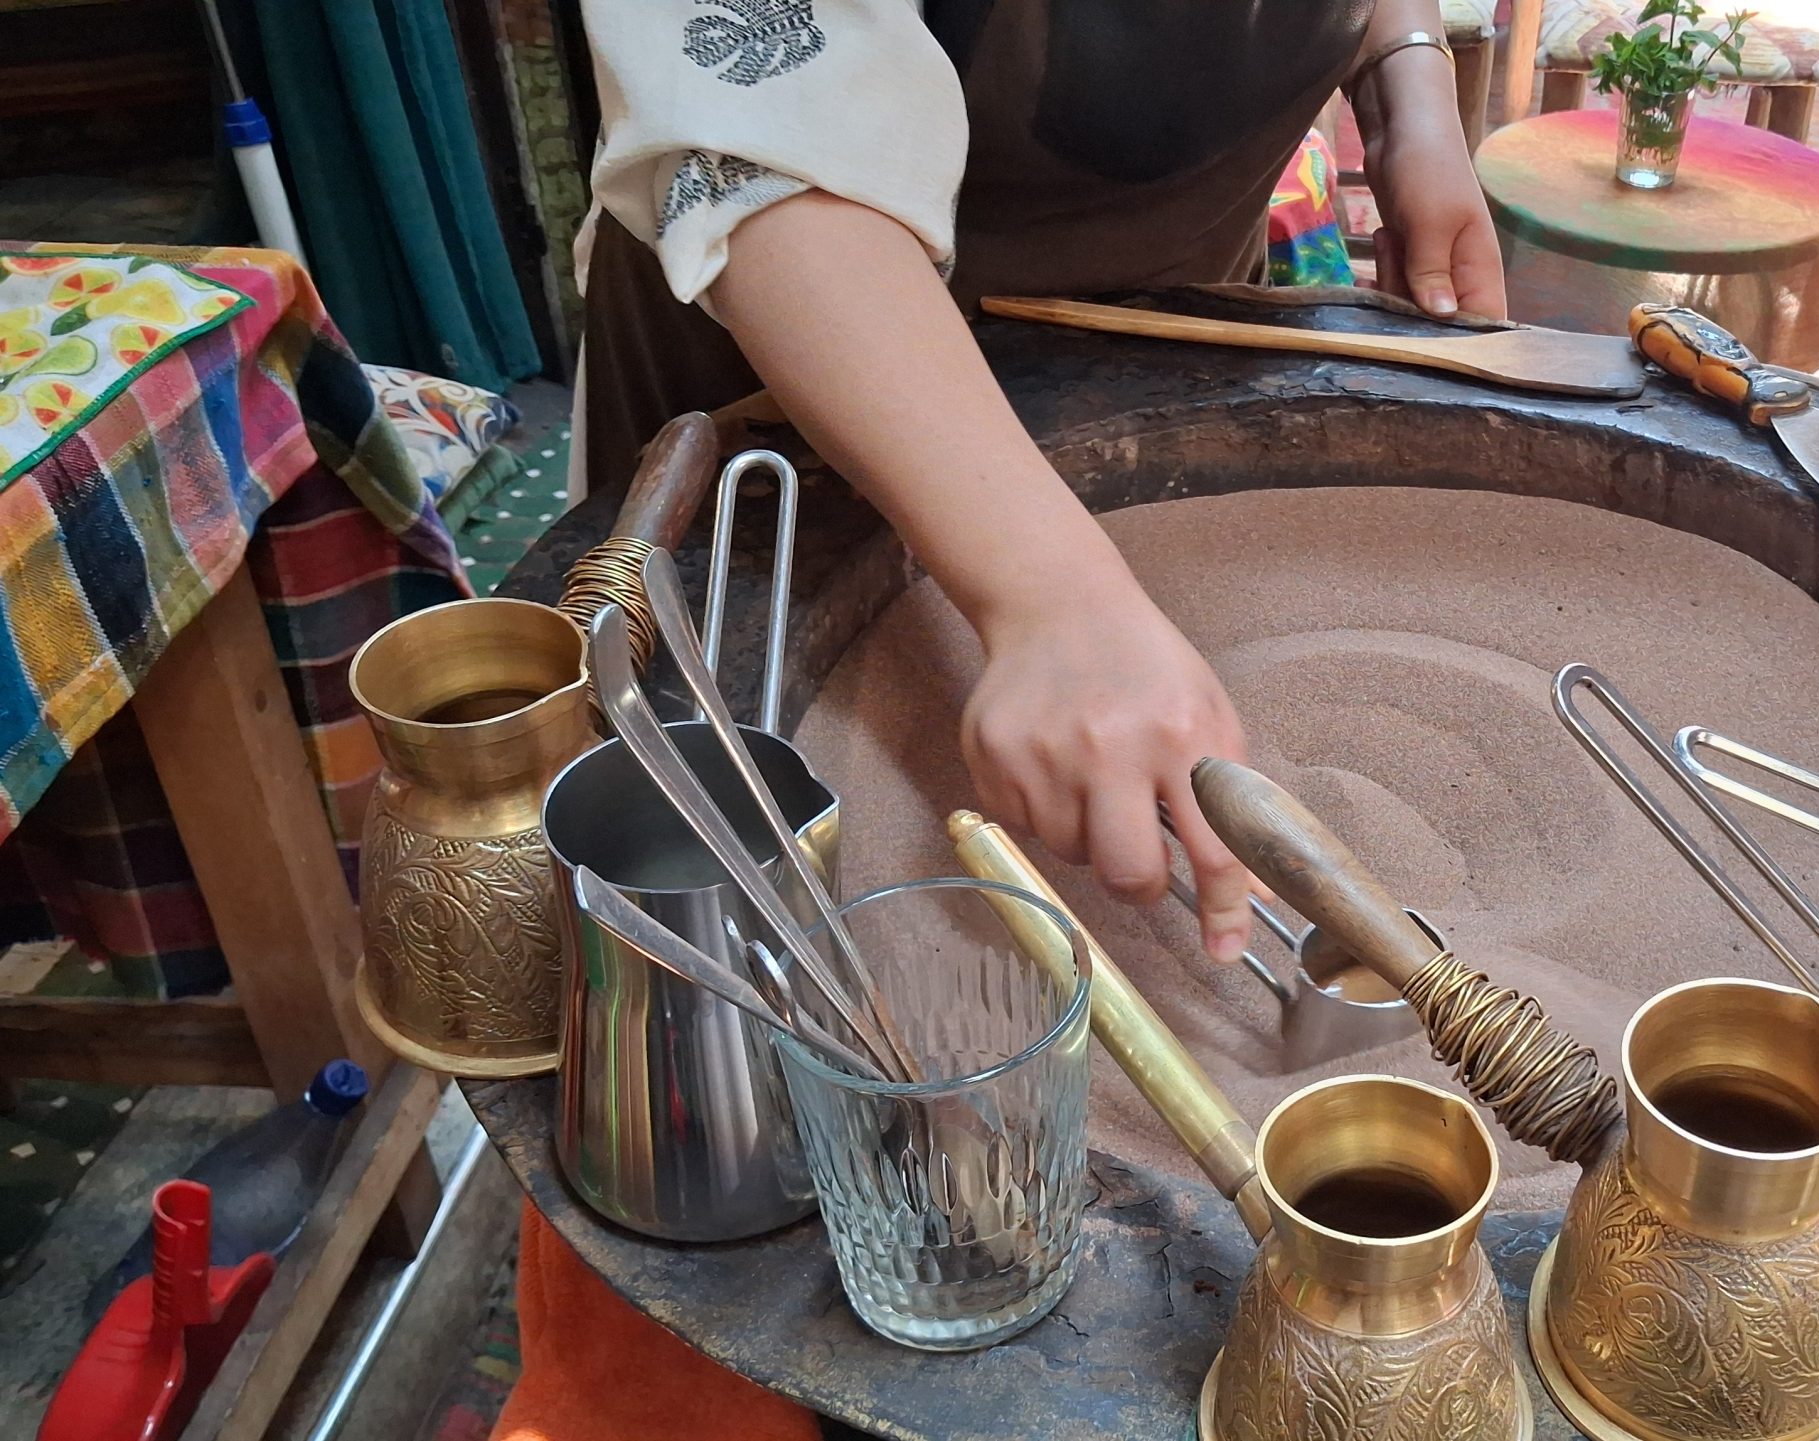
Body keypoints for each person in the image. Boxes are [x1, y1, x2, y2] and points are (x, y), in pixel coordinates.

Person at [577, 0, 1508, 970]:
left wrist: (1410, 92)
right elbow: (762, 138)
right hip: (812, 338)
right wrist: (1053, 596)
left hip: (1156, 345)